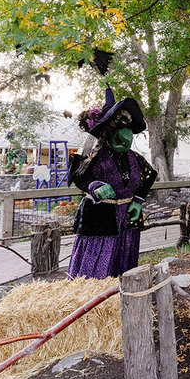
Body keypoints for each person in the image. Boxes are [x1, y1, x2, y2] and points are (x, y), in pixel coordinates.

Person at [67, 88, 157, 279]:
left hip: (127, 220)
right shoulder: (94, 156)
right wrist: (95, 186)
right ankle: (92, 293)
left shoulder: (135, 159)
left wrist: (137, 201)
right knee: (96, 264)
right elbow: (78, 175)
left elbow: (150, 175)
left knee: (124, 263)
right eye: (118, 135)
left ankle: (121, 290)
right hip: (100, 219)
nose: (125, 141)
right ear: (106, 133)